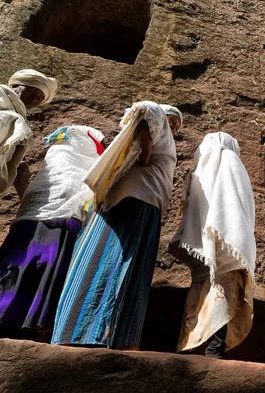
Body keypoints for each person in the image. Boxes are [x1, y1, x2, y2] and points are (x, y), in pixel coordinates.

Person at [51, 101, 177, 350]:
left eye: (175, 125)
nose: (171, 126)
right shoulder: (156, 131)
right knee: (117, 261)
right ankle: (98, 333)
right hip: (134, 201)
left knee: (121, 264)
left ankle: (100, 332)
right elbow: (147, 109)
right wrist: (146, 149)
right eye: (169, 120)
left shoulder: (167, 144)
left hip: (139, 202)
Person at [0, 125, 103, 338]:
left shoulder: (48, 170)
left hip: (29, 223)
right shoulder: (82, 170)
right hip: (62, 224)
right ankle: (34, 324)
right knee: (46, 272)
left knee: (15, 269)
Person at [169, 132, 255, 358]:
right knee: (222, 298)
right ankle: (213, 352)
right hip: (225, 245)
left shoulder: (199, 167)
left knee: (200, 298)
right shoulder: (229, 160)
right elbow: (238, 208)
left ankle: (191, 347)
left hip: (201, 246)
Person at [0, 69, 58, 194]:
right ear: (16, 85)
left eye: (39, 98)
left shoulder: (21, 127)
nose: (33, 99)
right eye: (32, 92)